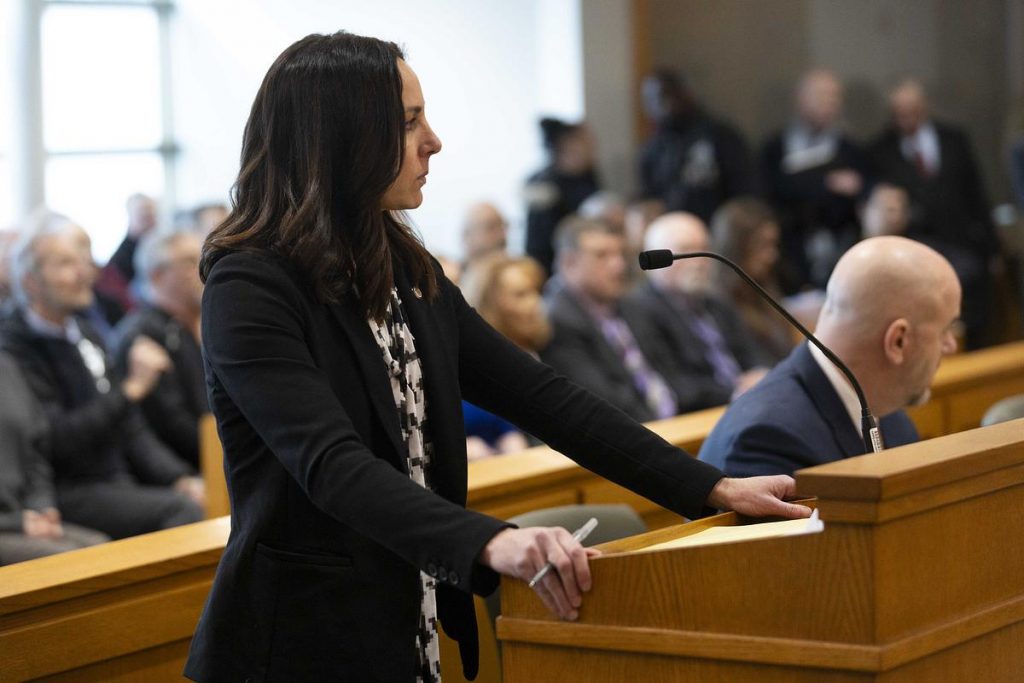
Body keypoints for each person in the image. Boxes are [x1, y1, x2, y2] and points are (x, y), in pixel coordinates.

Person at [184, 32, 808, 683]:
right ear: (341, 138)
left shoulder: (406, 268)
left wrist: (709, 487)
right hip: (295, 644)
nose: (433, 141)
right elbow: (332, 465)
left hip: (405, 622)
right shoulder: (249, 285)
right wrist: (490, 540)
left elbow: (542, 397)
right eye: (408, 121)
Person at [1, 210, 204, 540]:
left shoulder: (86, 332)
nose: (84, 272)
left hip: (115, 479)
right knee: (181, 511)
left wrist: (177, 477)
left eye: (84, 260)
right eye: (66, 263)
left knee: (196, 494)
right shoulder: (17, 345)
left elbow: (130, 427)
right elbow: (56, 440)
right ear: (31, 281)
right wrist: (130, 390)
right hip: (68, 487)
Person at [699, 236, 960, 477]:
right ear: (897, 341)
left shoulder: (892, 416)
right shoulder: (766, 440)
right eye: (946, 329)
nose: (951, 345)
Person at [870, 79, 998, 348]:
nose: (907, 119)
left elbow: (976, 195)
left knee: (977, 327)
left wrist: (992, 248)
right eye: (900, 113)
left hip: (963, 247)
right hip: (918, 255)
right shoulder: (881, 150)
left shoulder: (954, 139)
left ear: (924, 107)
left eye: (912, 111)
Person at [540, 216, 684, 423]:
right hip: (633, 429)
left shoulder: (631, 305)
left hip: (676, 419)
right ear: (569, 263)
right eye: (602, 256)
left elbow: (670, 370)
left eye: (619, 254)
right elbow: (602, 400)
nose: (618, 265)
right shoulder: (558, 320)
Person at [629, 212, 770, 412]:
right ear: (657, 260)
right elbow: (677, 384)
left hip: (752, 402)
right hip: (706, 412)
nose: (699, 260)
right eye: (686, 250)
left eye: (703, 248)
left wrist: (762, 374)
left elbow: (752, 351)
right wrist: (736, 391)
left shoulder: (716, 301)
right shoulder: (640, 311)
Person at [760, 69, 869, 292]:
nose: (831, 102)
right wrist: (827, 182)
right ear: (800, 100)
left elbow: (859, 192)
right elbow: (771, 191)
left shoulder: (851, 150)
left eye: (835, 96)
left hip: (837, 252)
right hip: (789, 255)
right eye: (822, 95)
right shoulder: (774, 148)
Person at [0, 352, 109, 565]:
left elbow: (36, 451)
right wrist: (16, 523)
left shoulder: (7, 366)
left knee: (103, 548)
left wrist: (42, 508)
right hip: (9, 525)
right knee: (72, 563)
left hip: (25, 516)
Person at [112, 231, 208, 468]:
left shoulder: (202, 324)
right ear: (157, 275)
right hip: (183, 468)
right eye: (189, 262)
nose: (203, 270)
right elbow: (170, 424)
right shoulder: (142, 335)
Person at [459, 254, 550, 458]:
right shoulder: (472, 368)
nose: (535, 303)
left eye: (536, 291)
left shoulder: (548, 350)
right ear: (490, 303)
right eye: (520, 295)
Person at [638, 67, 755, 224]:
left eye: (665, 96)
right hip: (672, 230)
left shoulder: (719, 136)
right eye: (651, 100)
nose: (660, 106)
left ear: (685, 93)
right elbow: (648, 196)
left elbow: (745, 192)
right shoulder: (652, 149)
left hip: (715, 228)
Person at [710, 197, 796, 363]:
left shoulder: (764, 289)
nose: (772, 255)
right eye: (762, 246)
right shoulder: (716, 305)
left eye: (774, 244)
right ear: (737, 248)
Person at [523, 117, 600, 276]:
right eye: (587, 143)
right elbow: (538, 244)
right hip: (552, 267)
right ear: (568, 145)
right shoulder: (543, 186)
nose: (593, 148)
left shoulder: (587, 177)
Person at [460, 201, 509, 266]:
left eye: (502, 226)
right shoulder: (453, 271)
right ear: (467, 236)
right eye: (491, 227)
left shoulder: (518, 269)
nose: (501, 234)